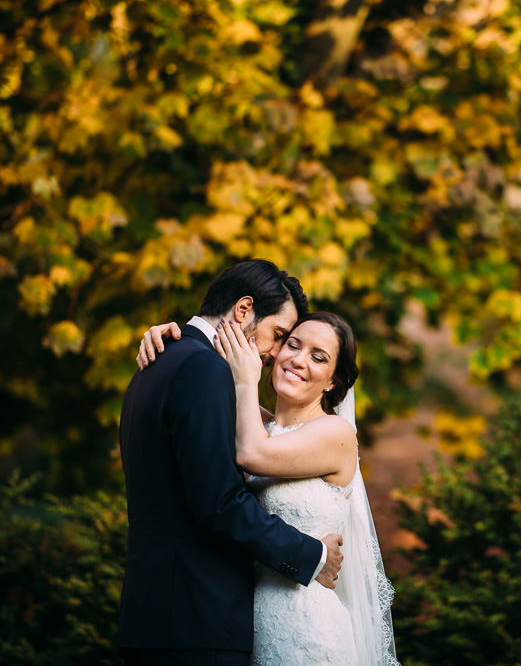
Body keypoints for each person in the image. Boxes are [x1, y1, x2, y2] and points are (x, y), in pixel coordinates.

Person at [138, 311, 399, 665]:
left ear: (333, 382)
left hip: (307, 629)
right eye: (292, 344)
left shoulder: (337, 434)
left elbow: (250, 452)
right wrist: (172, 339)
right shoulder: (261, 425)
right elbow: (210, 391)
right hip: (249, 622)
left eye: (318, 357)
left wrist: (246, 381)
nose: (298, 360)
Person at [118, 259, 344, 666]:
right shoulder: (204, 370)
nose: (275, 354)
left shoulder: (161, 358)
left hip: (157, 614)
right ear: (243, 310)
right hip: (196, 620)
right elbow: (218, 503)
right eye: (278, 336)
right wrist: (313, 556)